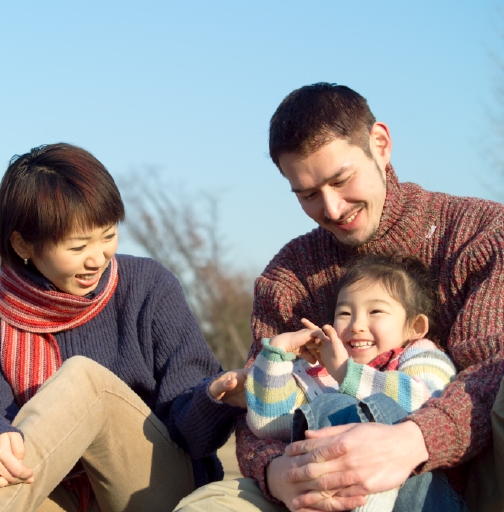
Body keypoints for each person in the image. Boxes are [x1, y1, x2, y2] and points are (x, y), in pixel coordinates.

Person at [175, 82, 504, 512]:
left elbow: (491, 375)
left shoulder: (480, 234)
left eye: (341, 180)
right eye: (308, 194)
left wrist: (410, 442)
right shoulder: (287, 278)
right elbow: (258, 421)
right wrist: (277, 475)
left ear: (380, 145)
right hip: (315, 473)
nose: (331, 208)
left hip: (465, 478)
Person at [0, 143, 247, 512]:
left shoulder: (149, 288)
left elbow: (196, 440)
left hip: (151, 486)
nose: (97, 258)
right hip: (49, 489)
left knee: (84, 380)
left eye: (109, 235)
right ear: (24, 245)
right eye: (78, 247)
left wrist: (211, 398)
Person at [246, 253, 457, 511]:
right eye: (345, 312)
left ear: (415, 326)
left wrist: (346, 372)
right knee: (330, 406)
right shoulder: (320, 372)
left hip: (421, 499)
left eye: (376, 311)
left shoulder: (421, 354)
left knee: (350, 404)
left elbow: (426, 403)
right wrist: (277, 353)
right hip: (338, 495)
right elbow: (268, 424)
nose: (356, 325)